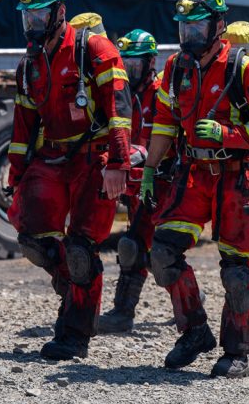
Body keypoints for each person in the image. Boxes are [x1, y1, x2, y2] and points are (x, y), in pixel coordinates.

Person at [142, 0, 249, 378]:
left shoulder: (244, 68)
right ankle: (195, 332)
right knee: (163, 254)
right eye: (185, 28)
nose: (190, 36)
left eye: (197, 28)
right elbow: (166, 123)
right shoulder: (175, 68)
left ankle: (237, 351)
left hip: (237, 177)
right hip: (192, 174)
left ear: (219, 26)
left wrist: (228, 136)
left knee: (235, 271)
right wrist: (151, 169)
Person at [6, 0, 132, 360]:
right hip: (52, 159)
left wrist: (119, 164)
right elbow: (23, 126)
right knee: (32, 237)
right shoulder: (29, 64)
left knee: (80, 247)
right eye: (27, 17)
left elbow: (120, 111)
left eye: (39, 16)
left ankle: (75, 334)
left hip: (95, 159)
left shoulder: (93, 49)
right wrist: (16, 175)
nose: (32, 24)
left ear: (60, 12)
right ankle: (78, 285)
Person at [97, 29, 177, 333]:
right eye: (124, 63)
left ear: (151, 61)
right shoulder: (122, 94)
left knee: (158, 250)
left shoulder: (162, 91)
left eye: (135, 64)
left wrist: (145, 153)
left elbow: (175, 134)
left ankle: (189, 303)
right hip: (134, 184)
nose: (128, 70)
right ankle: (123, 314)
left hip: (161, 183)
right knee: (134, 247)